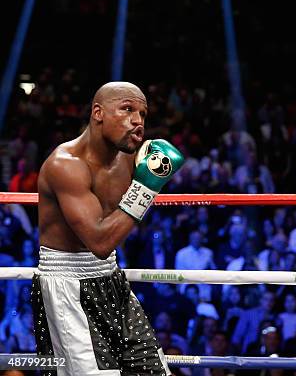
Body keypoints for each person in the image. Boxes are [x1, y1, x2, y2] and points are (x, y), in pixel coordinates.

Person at [33, 82, 184, 375]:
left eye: (142, 113)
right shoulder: (65, 165)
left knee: (153, 371)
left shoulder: (130, 158)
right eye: (127, 109)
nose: (138, 120)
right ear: (98, 113)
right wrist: (146, 186)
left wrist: (146, 177)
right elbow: (100, 243)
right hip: (68, 285)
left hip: (112, 280)